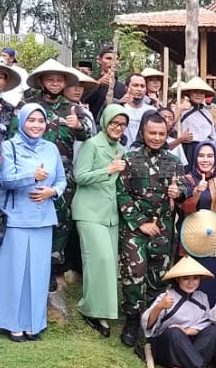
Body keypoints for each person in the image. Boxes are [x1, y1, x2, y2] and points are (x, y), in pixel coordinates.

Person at [0, 104, 66, 343]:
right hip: (15, 218)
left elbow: (61, 180)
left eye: (41, 120)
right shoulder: (9, 146)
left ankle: (34, 323)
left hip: (42, 218)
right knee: (14, 272)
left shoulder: (51, 148)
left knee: (39, 274)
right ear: (21, 122)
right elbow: (6, 179)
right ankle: (12, 324)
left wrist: (52, 190)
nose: (36, 125)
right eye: (31, 120)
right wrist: (33, 176)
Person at [117, 113, 186, 347]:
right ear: (142, 133)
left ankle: (153, 320)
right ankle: (133, 320)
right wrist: (139, 222)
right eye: (152, 133)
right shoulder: (130, 157)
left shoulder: (173, 160)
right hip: (135, 229)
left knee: (159, 276)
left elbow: (183, 186)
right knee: (135, 273)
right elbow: (121, 193)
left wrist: (180, 193)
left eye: (161, 133)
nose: (156, 138)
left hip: (163, 229)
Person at [25, 60, 92, 288]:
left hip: (63, 174)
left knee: (62, 219)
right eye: (50, 79)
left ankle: (54, 266)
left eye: (59, 80)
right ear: (42, 81)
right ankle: (31, 263)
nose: (55, 83)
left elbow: (88, 135)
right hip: (33, 172)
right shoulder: (28, 105)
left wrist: (78, 126)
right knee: (32, 215)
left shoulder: (72, 107)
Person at [74, 104, 128, 337]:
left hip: (110, 215)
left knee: (108, 265)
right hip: (89, 211)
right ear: (105, 122)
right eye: (114, 123)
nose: (117, 128)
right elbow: (80, 176)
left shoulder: (122, 149)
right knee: (100, 260)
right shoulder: (91, 144)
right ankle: (90, 309)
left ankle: (103, 311)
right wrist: (108, 169)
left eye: (122, 125)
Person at [142, 257, 216, 368]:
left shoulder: (203, 297)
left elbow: (205, 323)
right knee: (174, 332)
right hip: (167, 345)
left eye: (195, 278)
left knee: (214, 331)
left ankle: (177, 367)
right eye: (186, 278)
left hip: (190, 341)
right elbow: (148, 325)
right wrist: (159, 307)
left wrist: (187, 331)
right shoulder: (167, 296)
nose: (190, 283)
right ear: (178, 279)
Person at [180, 141, 216, 299]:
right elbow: (185, 208)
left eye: (210, 156)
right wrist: (196, 193)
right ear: (195, 158)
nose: (205, 160)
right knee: (196, 285)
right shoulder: (188, 180)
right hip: (194, 241)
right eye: (201, 156)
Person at [177, 77, 216, 166]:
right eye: (195, 92)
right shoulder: (182, 110)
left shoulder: (207, 113)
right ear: (189, 93)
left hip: (204, 148)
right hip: (187, 148)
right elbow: (173, 128)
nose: (198, 95)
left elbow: (212, 135)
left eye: (201, 93)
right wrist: (181, 138)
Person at [119, 73, 156, 147]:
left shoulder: (152, 112)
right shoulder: (120, 110)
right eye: (135, 85)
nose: (139, 89)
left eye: (142, 86)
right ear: (127, 88)